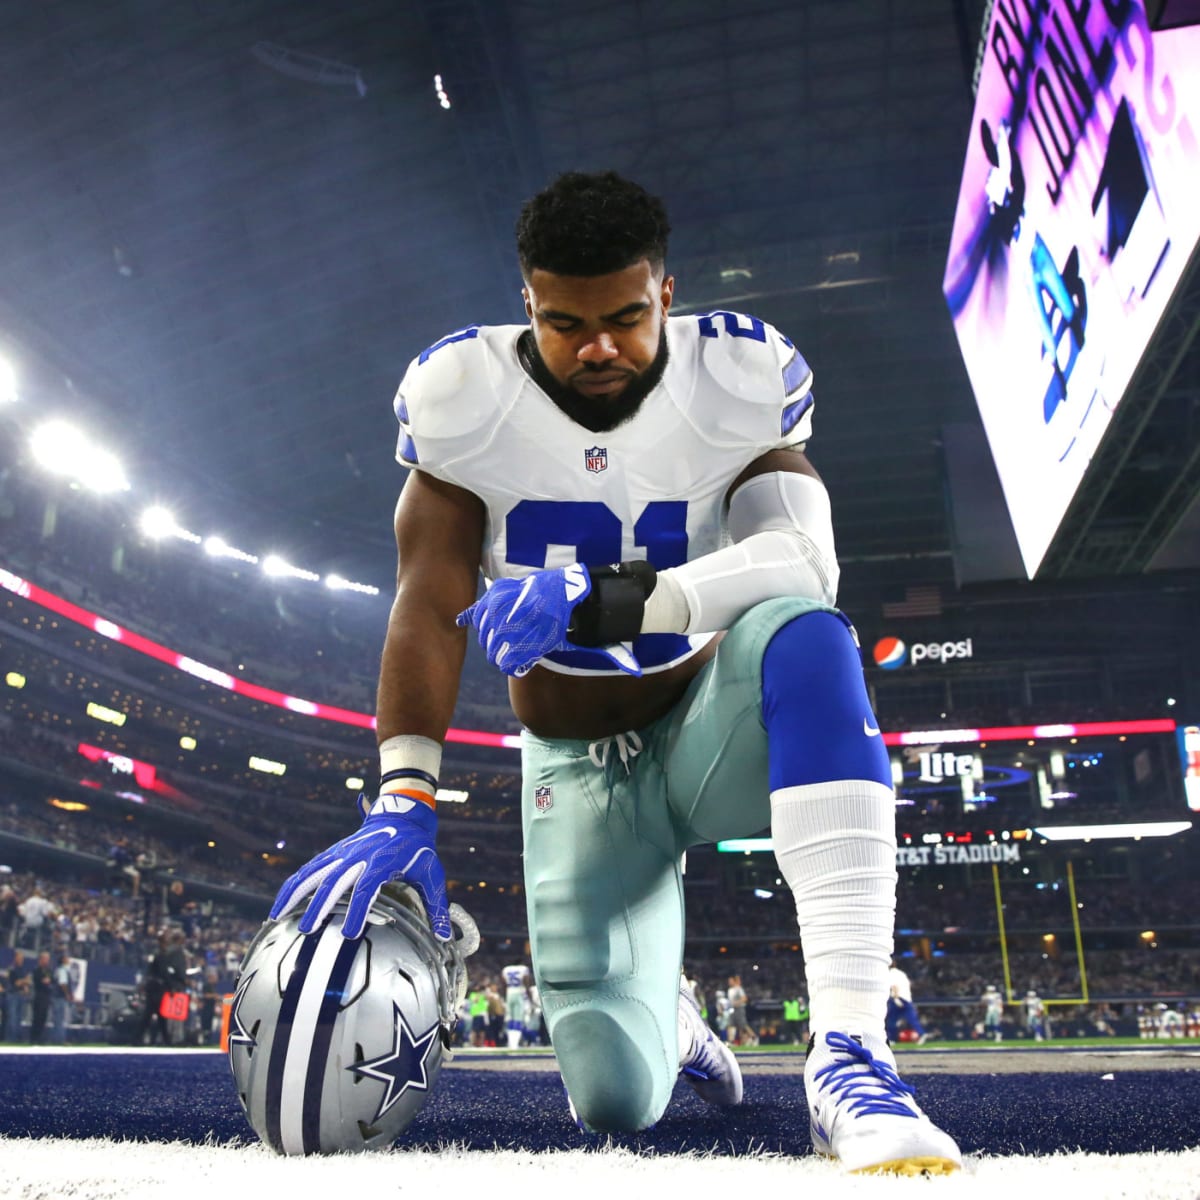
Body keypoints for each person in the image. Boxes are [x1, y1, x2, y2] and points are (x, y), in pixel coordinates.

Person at [271, 170, 961, 1174]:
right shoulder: (464, 399)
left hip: (705, 724)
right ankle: (668, 1023)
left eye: (626, 318)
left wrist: (606, 600)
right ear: (528, 307)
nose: (598, 346)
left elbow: (804, 563)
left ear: (667, 296)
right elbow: (426, 596)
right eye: (566, 322)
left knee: (811, 630)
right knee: (614, 1100)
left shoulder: (737, 378)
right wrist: (403, 793)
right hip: (576, 757)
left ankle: (851, 1053)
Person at [886, 959, 927, 1045]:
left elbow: (894, 986)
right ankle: (921, 1033)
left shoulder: (890, 973)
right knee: (912, 1019)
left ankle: (892, 1039)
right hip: (907, 999)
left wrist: (896, 998)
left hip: (898, 998)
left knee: (892, 1020)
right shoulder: (902, 973)